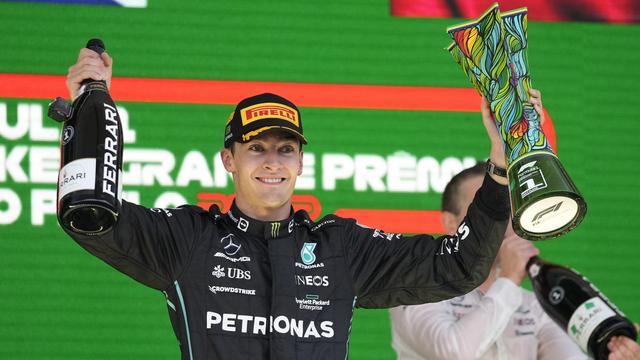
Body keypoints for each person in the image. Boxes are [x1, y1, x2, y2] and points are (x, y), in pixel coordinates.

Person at [62, 47, 511, 359]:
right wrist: (88, 103)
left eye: (286, 149)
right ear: (228, 160)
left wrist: (499, 165)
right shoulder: (188, 239)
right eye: (256, 148)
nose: (272, 162)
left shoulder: (342, 250)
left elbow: (460, 267)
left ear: (300, 162)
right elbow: (91, 218)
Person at [389, 163, 640, 360]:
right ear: (450, 222)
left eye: (505, 211)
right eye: (483, 211)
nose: (500, 223)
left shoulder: (534, 305)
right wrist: (508, 280)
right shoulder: (417, 291)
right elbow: (454, 352)